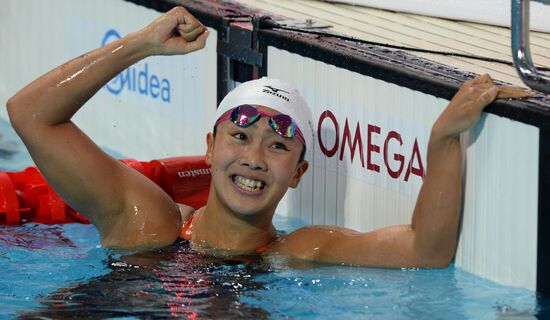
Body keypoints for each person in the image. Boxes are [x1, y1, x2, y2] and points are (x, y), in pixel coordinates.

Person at [6, 7, 531, 268]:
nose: (254, 158)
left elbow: (426, 248)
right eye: (240, 136)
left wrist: (444, 137)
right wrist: (140, 45)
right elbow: (30, 114)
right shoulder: (146, 221)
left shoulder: (302, 249)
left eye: (279, 145)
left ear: (299, 171)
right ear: (210, 148)